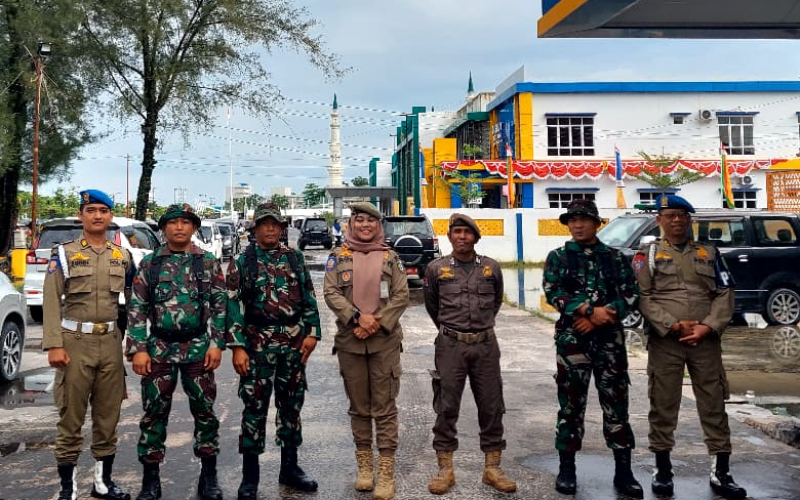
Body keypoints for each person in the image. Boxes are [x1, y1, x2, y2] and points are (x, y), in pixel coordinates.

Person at [635, 194, 746, 500]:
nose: (678, 221)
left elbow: (725, 291)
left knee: (713, 403)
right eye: (671, 215)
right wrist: (671, 324)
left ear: (690, 220)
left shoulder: (709, 252)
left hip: (705, 340)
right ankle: (662, 470)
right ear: (659, 219)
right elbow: (642, 295)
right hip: (666, 341)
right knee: (663, 403)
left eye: (683, 215)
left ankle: (721, 471)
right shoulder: (648, 254)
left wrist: (708, 326)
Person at [542, 199, 643, 498]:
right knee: (571, 406)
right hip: (573, 343)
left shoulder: (614, 258)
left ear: (597, 223)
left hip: (609, 344)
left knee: (616, 406)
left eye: (583, 219)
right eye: (572, 220)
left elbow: (631, 294)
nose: (577, 224)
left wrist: (603, 315)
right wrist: (587, 311)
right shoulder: (558, 257)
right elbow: (553, 292)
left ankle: (624, 473)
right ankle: (567, 469)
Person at [125, 204, 226, 500]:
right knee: (154, 414)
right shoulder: (150, 264)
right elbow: (136, 308)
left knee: (205, 413)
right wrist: (138, 349)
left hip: (197, 349)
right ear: (164, 228)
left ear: (194, 227)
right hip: (158, 350)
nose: (179, 227)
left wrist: (216, 343)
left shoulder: (206, 262)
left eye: (186, 222)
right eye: (173, 223)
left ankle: (209, 477)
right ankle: (150, 480)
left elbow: (220, 306)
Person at [42, 189, 134, 500]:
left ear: (111, 216)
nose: (97, 215)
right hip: (74, 343)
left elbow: (134, 303)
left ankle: (102, 483)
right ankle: (67, 488)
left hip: (109, 342)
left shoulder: (122, 256)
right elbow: (51, 300)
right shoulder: (64, 254)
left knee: (108, 418)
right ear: (81, 215)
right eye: (91, 210)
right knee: (71, 418)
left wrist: (135, 340)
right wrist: (54, 343)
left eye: (103, 210)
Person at [226, 202, 321, 500]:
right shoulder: (243, 261)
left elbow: (309, 298)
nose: (270, 228)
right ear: (254, 228)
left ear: (282, 228)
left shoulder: (295, 259)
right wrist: (237, 347)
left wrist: (312, 333)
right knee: (254, 409)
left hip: (293, 345)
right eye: (264, 224)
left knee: (291, 407)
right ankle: (250, 477)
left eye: (275, 224)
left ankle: (290, 468)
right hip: (257, 345)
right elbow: (231, 306)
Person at [423, 213, 516, 495]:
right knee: (446, 406)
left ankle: (492, 468)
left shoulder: (490, 268)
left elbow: (496, 301)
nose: (462, 237)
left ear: (476, 237)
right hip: (451, 345)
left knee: (491, 405)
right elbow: (432, 307)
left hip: (486, 345)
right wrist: (453, 330)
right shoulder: (436, 269)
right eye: (457, 232)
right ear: (450, 237)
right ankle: (445, 469)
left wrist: (479, 328)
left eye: (467, 232)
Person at [323, 202, 409, 500]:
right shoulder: (338, 256)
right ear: (352, 224)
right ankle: (365, 467)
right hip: (351, 341)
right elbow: (330, 292)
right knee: (359, 407)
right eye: (359, 221)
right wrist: (358, 318)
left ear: (378, 225)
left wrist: (375, 323)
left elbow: (401, 295)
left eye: (371, 221)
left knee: (384, 408)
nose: (365, 226)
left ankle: (385, 472)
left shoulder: (390, 256)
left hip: (384, 342)